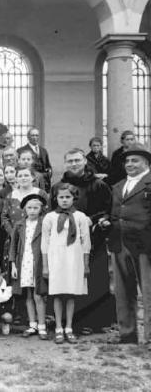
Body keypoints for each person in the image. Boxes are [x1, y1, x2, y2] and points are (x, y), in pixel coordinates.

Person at [50, 148, 114, 334]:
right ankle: (70, 321)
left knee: (94, 279)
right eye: (70, 161)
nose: (74, 164)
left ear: (85, 161)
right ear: (65, 164)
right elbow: (52, 212)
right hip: (67, 242)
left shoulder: (99, 185)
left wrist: (93, 220)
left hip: (94, 238)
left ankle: (95, 321)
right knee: (70, 279)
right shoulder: (58, 186)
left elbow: (107, 208)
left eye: (77, 160)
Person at [106, 143, 151, 346]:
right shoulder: (118, 185)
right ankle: (127, 334)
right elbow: (116, 212)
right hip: (119, 243)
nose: (129, 164)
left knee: (148, 291)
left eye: (135, 160)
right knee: (123, 291)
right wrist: (109, 222)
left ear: (146, 162)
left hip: (144, 245)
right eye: (127, 161)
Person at [42, 183, 91, 344]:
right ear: (55, 198)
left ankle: (69, 327)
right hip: (56, 258)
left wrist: (85, 263)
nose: (64, 200)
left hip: (74, 258)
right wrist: (45, 265)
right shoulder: (49, 217)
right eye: (61, 197)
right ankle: (58, 328)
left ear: (74, 198)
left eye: (68, 197)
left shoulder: (80, 217)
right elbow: (45, 243)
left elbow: (86, 242)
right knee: (57, 293)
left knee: (70, 293)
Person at [9, 193, 48, 340]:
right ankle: (32, 324)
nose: (32, 210)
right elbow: (13, 246)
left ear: (41, 209)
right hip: (23, 261)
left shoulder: (44, 223)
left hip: (38, 261)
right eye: (29, 208)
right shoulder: (19, 224)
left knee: (39, 294)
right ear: (24, 209)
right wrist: (13, 265)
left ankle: (42, 326)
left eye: (35, 208)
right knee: (29, 294)